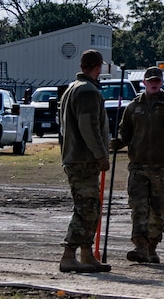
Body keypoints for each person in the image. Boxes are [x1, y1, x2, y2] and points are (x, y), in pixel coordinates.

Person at [117, 66, 164, 264]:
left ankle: (152, 247)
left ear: (162, 82)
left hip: (161, 165)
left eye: (157, 80)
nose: (154, 83)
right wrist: (119, 141)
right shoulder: (133, 106)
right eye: (150, 80)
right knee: (138, 206)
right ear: (144, 82)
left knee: (159, 207)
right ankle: (140, 246)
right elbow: (126, 131)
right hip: (138, 165)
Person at [56, 48, 111, 275]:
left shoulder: (71, 88)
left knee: (91, 207)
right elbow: (89, 127)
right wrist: (100, 155)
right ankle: (69, 255)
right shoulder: (88, 91)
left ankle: (87, 254)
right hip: (83, 159)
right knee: (86, 208)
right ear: (98, 67)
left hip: (75, 157)